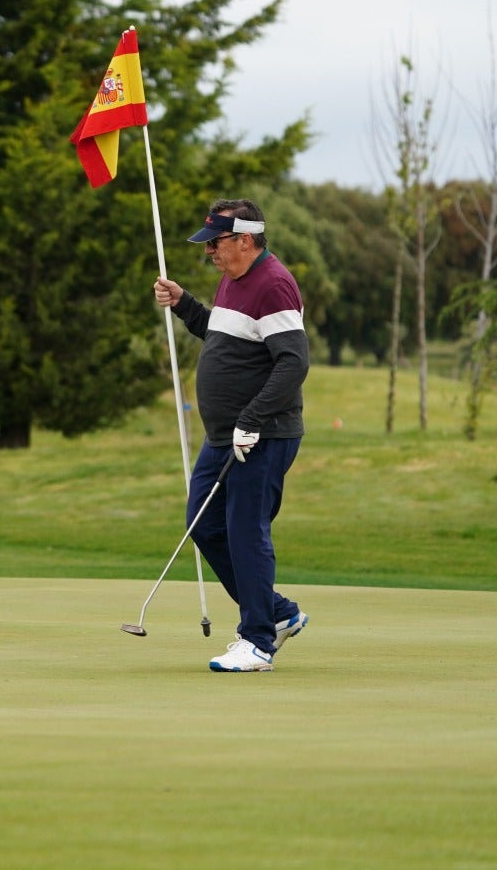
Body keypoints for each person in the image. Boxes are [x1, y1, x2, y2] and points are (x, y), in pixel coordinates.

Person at [152, 199, 309, 673]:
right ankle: (277, 612)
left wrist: (253, 420)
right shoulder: (233, 279)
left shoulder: (274, 284)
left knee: (245, 532)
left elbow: (293, 362)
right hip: (225, 435)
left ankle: (258, 640)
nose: (210, 254)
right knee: (206, 525)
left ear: (246, 239)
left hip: (262, 435)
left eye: (216, 244)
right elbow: (221, 337)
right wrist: (185, 304)